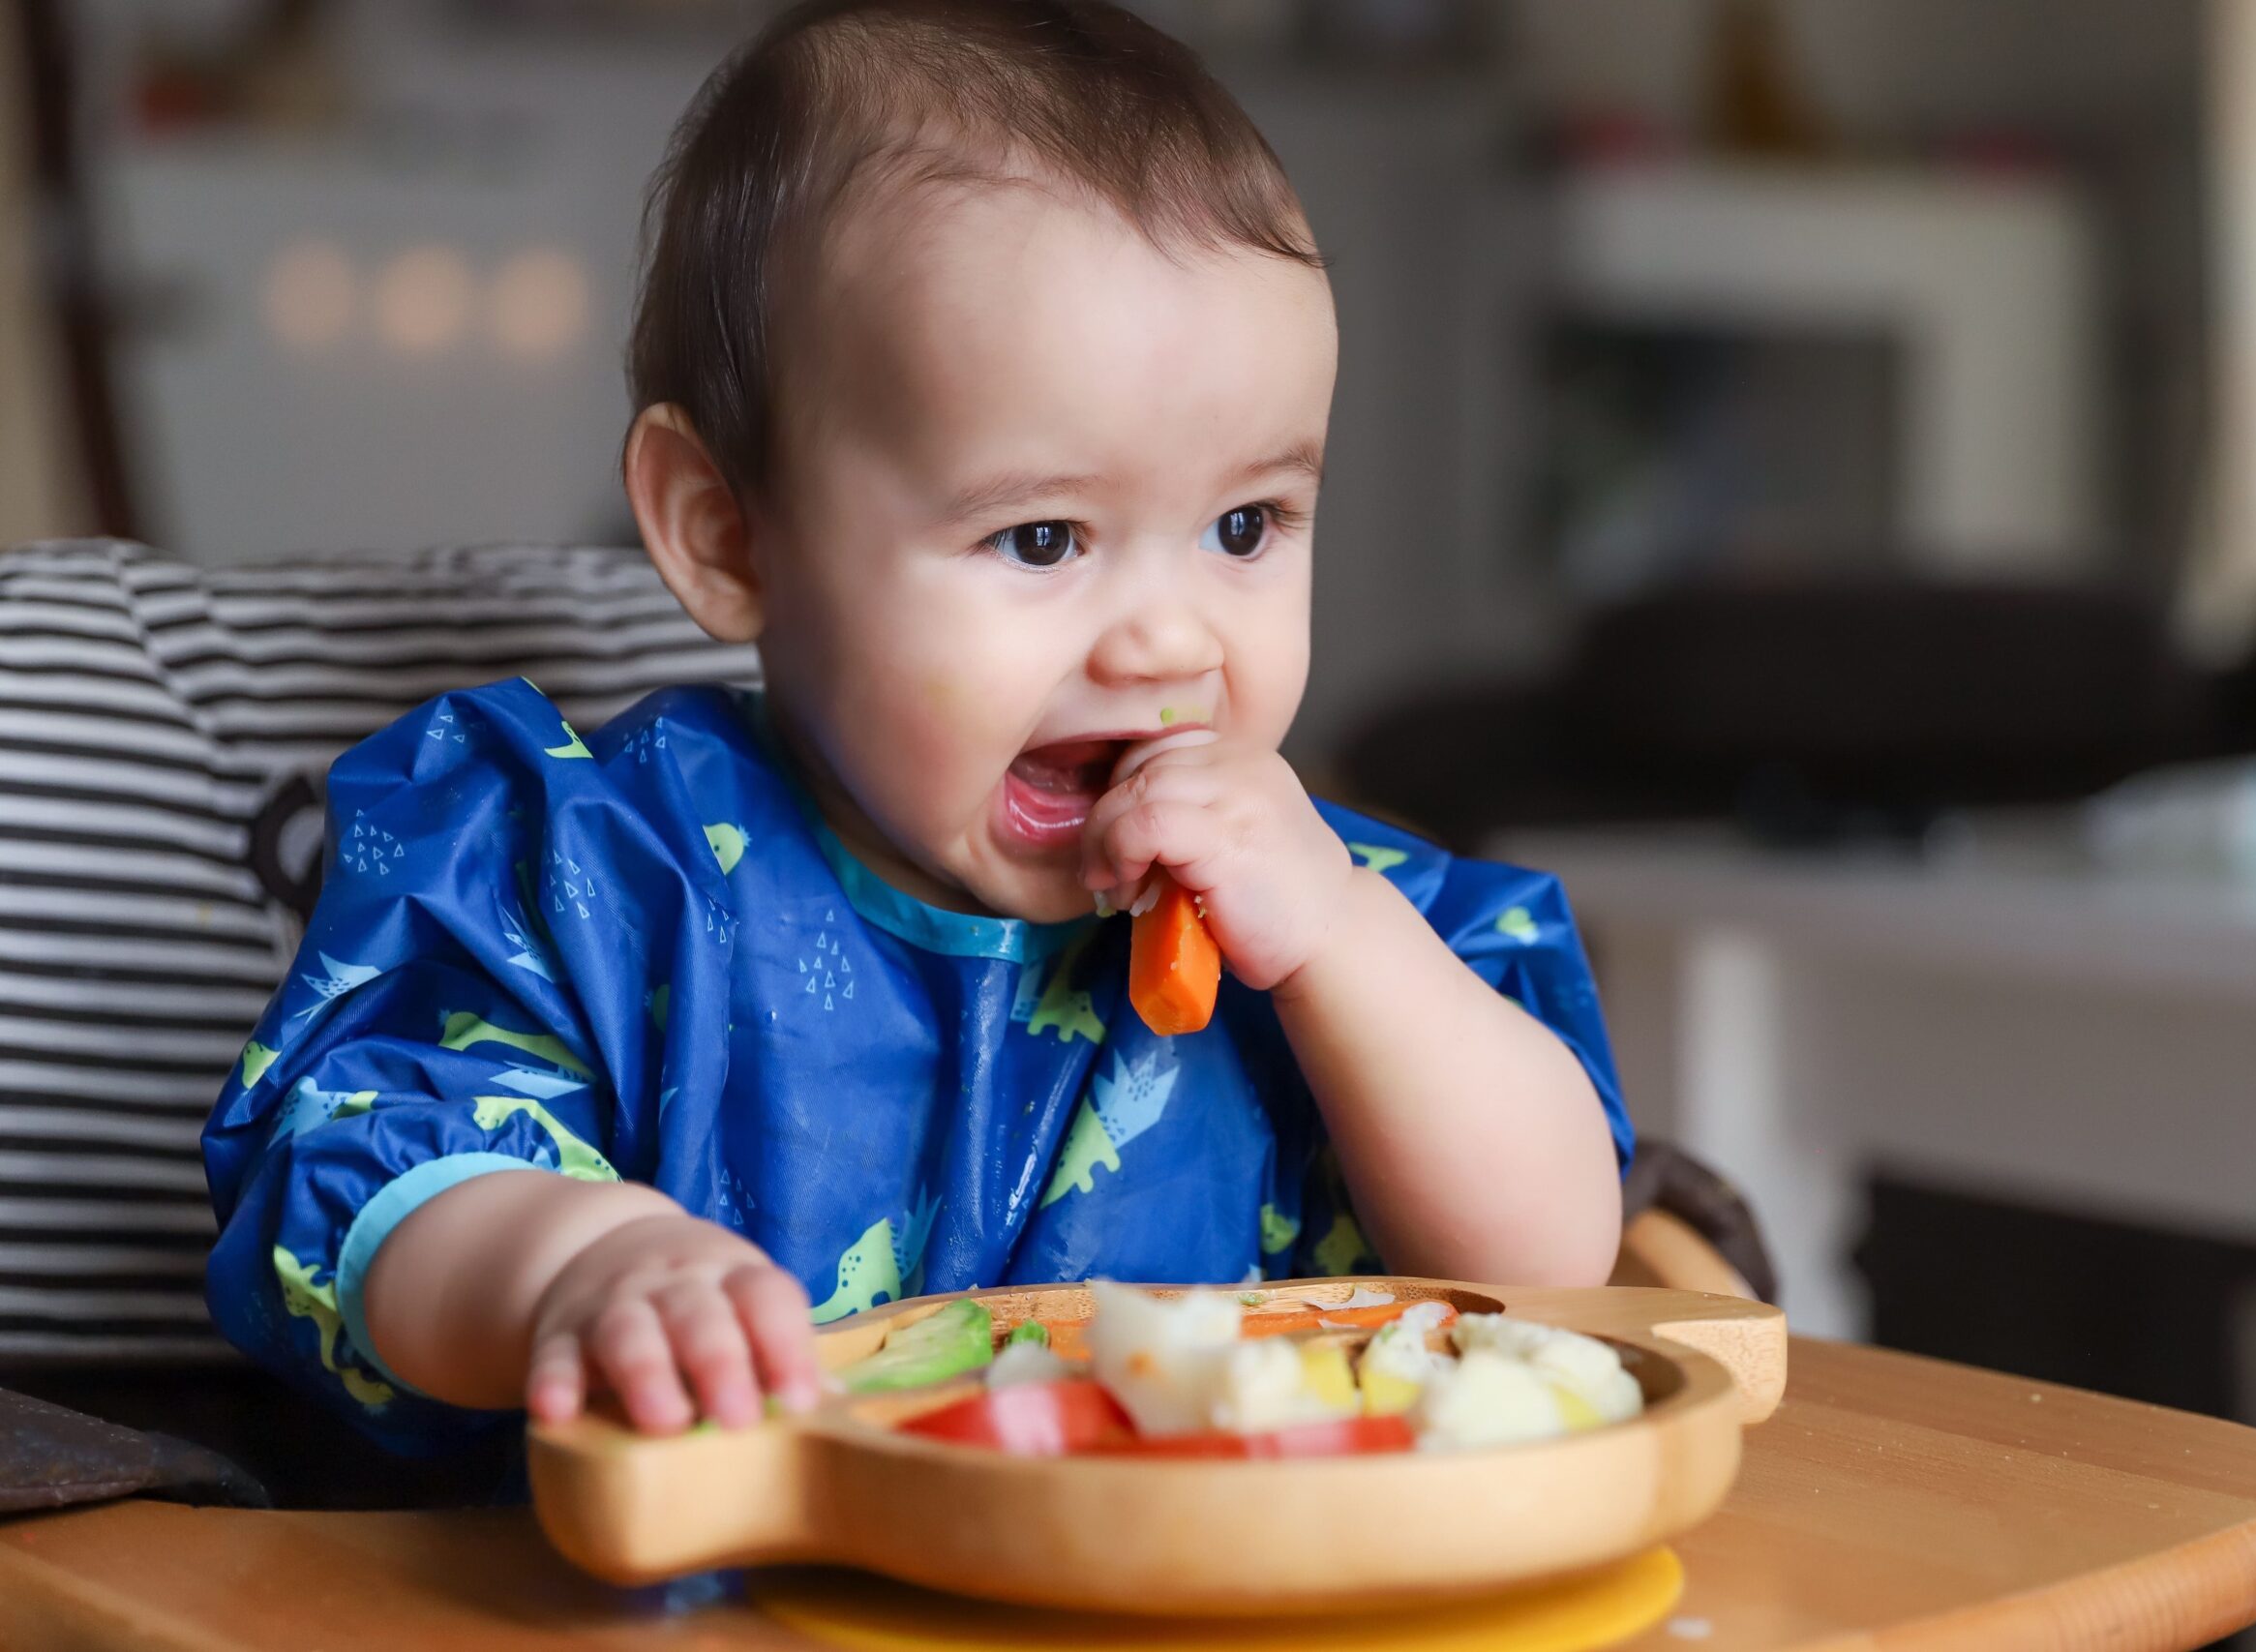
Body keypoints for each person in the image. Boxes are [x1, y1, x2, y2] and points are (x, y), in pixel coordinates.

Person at [201, 0, 1631, 1455]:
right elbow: (362, 1181)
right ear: (730, 536)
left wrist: (1342, 946)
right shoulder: (594, 880)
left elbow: (1554, 1263)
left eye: (1245, 525)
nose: (1170, 640)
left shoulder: (1335, 922)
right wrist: (574, 1267)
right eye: (1039, 538)